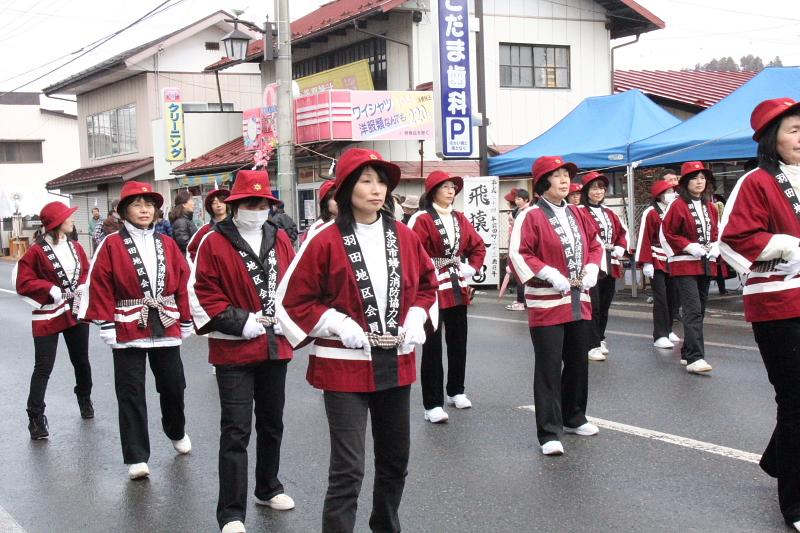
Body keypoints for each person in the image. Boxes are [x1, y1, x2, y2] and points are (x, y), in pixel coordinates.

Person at [276, 147, 438, 533]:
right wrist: (337, 323)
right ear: (347, 188)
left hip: (396, 363)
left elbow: (428, 286)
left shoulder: (404, 235)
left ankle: (386, 526)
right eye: (365, 180)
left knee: (396, 460)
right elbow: (292, 300)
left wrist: (416, 317)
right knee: (348, 468)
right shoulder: (325, 240)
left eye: (381, 181)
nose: (376, 189)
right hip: (344, 367)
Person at [189, 170, 296, 533]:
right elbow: (201, 293)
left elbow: (296, 284)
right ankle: (231, 513)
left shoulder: (280, 238)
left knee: (273, 423)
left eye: (262, 203)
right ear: (235, 205)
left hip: (274, 344)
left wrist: (287, 317)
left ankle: (269, 486)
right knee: (235, 430)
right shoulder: (212, 242)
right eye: (250, 203)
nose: (257, 209)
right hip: (234, 350)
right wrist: (239, 321)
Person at [719, 97, 800, 531]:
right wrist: (788, 247)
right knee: (795, 400)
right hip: (778, 305)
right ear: (772, 138)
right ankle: (795, 503)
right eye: (793, 130)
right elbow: (732, 241)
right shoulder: (756, 181)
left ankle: (778, 458)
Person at [79, 181, 193, 480]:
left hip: (165, 321)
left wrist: (186, 318)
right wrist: (105, 323)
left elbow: (183, 282)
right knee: (130, 393)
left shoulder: (168, 243)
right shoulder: (111, 244)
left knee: (174, 385)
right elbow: (99, 284)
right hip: (128, 323)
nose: (144, 209)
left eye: (149, 204)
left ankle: (176, 429)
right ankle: (137, 456)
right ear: (124, 211)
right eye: (137, 204)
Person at [508, 156, 602, 456]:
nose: (564, 180)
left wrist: (591, 268)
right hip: (547, 301)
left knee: (578, 361)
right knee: (549, 367)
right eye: (557, 175)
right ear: (542, 182)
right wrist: (549, 274)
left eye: (566, 175)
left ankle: (574, 416)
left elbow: (595, 243)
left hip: (579, 298)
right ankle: (549, 431)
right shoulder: (531, 215)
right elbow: (519, 254)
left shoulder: (578, 213)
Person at [408, 170, 485, 423]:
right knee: (431, 346)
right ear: (433, 191)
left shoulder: (460, 218)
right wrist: (434, 265)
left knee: (458, 340)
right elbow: (411, 253)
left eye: (453, 187)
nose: (451, 191)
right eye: (445, 187)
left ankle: (456, 390)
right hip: (431, 287)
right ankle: (432, 403)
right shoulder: (421, 218)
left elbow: (477, 245)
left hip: (456, 284)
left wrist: (471, 267)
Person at [15, 201, 93, 440]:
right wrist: (47, 287)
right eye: (68, 217)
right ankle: (36, 418)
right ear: (58, 223)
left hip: (74, 309)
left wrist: (82, 285)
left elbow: (86, 271)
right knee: (43, 367)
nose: (72, 220)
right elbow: (23, 282)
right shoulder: (36, 252)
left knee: (81, 360)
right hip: (49, 312)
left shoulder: (76, 247)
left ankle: (84, 398)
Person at [660, 161, 722, 374]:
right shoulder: (676, 205)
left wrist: (715, 245)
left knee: (700, 310)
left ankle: (688, 352)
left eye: (702, 178)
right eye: (695, 178)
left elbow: (716, 233)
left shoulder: (710, 207)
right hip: (684, 265)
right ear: (685, 182)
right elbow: (666, 234)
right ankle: (696, 357)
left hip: (705, 263)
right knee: (693, 309)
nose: (699, 182)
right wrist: (687, 246)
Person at [579, 171, 627, 362]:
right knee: (594, 305)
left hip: (611, 262)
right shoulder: (579, 211)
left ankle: (600, 337)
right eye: (594, 187)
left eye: (601, 187)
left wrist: (620, 247)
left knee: (605, 304)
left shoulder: (609, 212)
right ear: (586, 191)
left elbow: (622, 233)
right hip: (592, 264)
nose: (598, 191)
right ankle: (591, 344)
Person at [635, 180, 682, 348]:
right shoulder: (650, 212)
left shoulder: (674, 209)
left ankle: (668, 329)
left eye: (673, 190)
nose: (672, 194)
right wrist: (646, 262)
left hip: (674, 258)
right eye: (668, 191)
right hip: (656, 259)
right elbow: (644, 237)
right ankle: (660, 334)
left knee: (674, 296)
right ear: (659, 194)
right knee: (661, 298)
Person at [186, 188, 230, 263]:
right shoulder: (205, 230)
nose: (218, 205)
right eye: (214, 203)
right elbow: (191, 252)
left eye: (221, 201)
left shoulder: (238, 226)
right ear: (210, 207)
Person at [506, 189, 531, 311]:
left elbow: (524, 228)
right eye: (516, 199)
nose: (516, 201)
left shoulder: (527, 211)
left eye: (519, 199)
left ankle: (521, 302)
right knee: (520, 274)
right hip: (517, 245)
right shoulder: (518, 211)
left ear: (526, 200)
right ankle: (522, 300)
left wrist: (514, 222)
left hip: (522, 247)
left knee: (520, 274)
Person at [299, 180, 337, 246]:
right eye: (334, 198)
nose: (339, 201)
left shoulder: (349, 224)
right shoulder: (318, 228)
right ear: (325, 203)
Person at [169, 189, 198, 254]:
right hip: (186, 260)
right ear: (184, 204)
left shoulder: (187, 219)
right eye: (191, 200)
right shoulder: (180, 222)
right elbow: (185, 245)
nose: (193, 203)